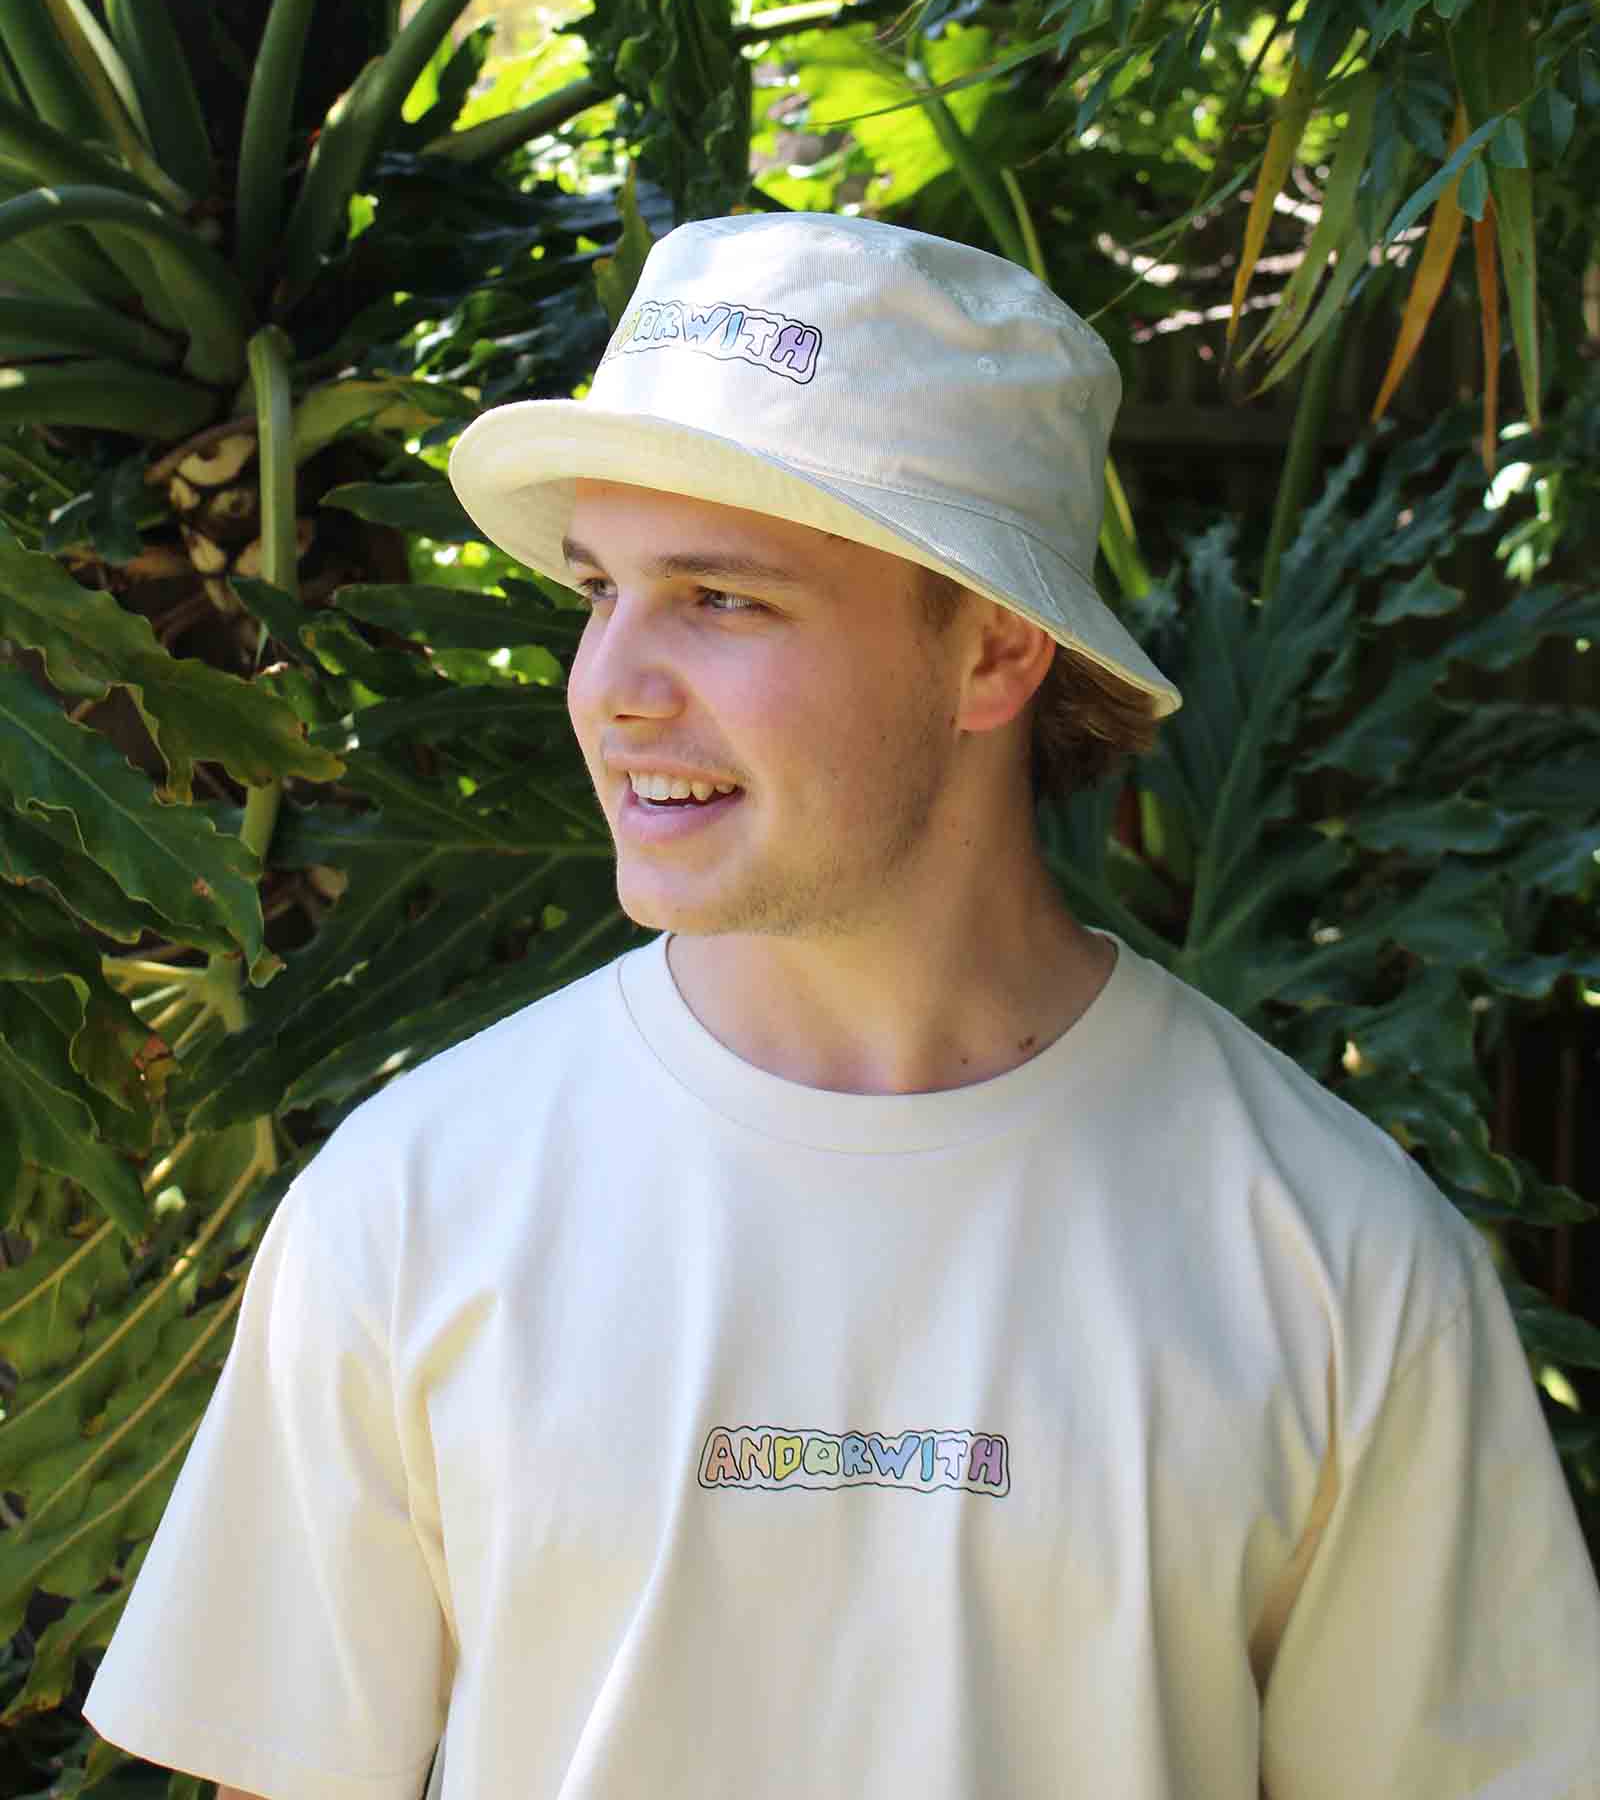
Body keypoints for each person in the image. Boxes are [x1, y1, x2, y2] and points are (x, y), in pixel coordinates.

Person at [84, 210, 1600, 1799]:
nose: (610, 684)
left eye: (722, 600)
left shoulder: (1336, 1261)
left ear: (994, 650)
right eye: (599, 590)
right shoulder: (412, 1206)